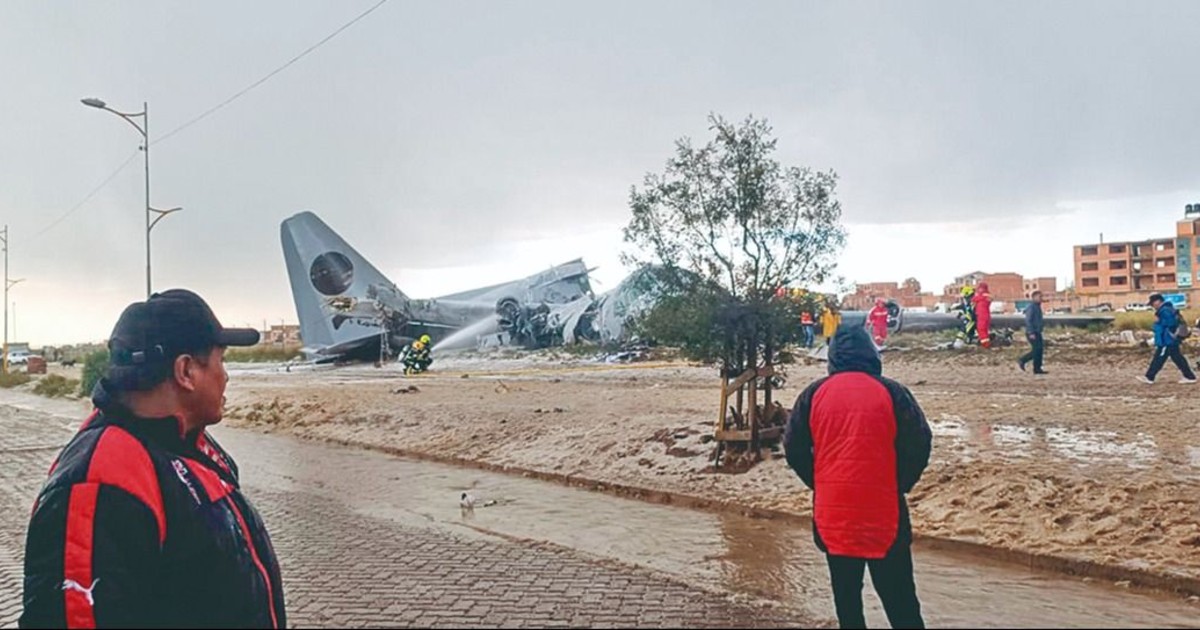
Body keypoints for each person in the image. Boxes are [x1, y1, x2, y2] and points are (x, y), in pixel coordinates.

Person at [20, 289, 286, 628]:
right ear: (186, 371)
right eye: (221, 360)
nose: (226, 375)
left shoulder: (190, 444)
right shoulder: (102, 477)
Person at [784, 326, 932, 629]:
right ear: (871, 353)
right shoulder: (893, 392)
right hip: (885, 512)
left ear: (833, 356)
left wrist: (820, 482)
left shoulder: (813, 394)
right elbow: (919, 443)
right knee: (902, 604)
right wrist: (899, 484)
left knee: (848, 605)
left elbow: (793, 448)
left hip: (833, 515)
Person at [1140, 293, 1196, 384]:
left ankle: (1149, 377)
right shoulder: (1168, 309)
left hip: (1167, 339)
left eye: (1153, 303)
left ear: (1158, 301)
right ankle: (1190, 376)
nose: (1152, 306)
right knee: (1177, 358)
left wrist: (1158, 321)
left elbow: (1171, 323)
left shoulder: (1164, 310)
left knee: (1159, 358)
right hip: (1170, 339)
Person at [1018, 290, 1048, 374]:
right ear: (1034, 297)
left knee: (1039, 350)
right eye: (1040, 297)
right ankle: (1023, 360)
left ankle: (1037, 368)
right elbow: (1028, 320)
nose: (1041, 298)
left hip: (1037, 331)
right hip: (1032, 332)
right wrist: (1031, 332)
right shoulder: (1031, 307)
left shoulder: (1037, 307)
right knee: (1036, 350)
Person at [972, 281, 993, 348]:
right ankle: (987, 343)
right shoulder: (987, 296)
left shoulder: (981, 296)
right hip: (986, 315)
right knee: (985, 330)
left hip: (982, 315)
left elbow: (973, 299)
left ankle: (985, 344)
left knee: (981, 329)